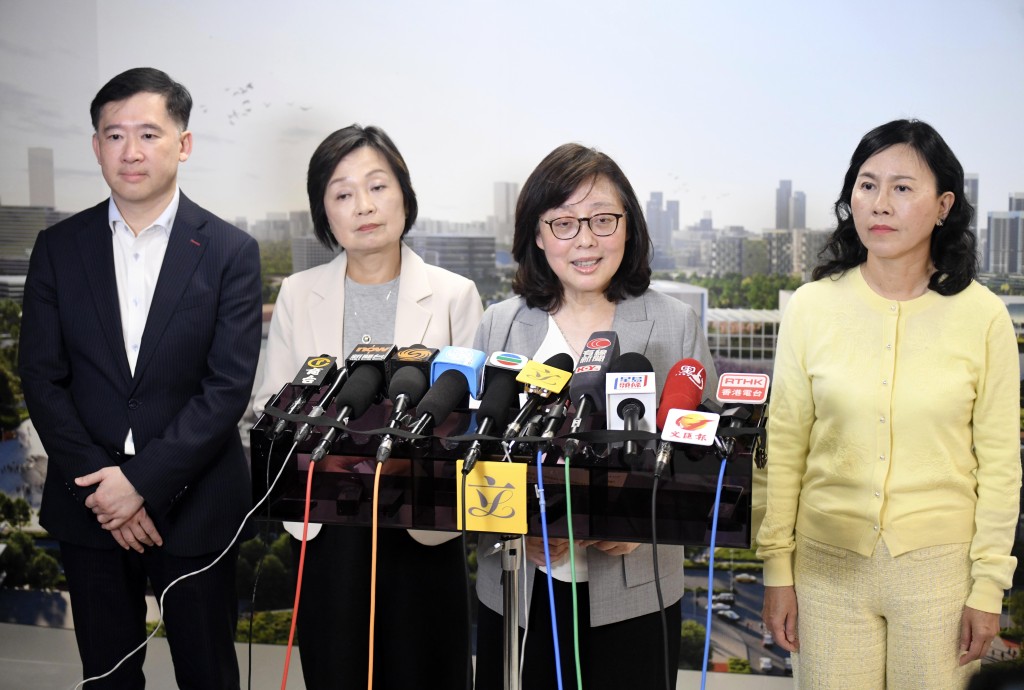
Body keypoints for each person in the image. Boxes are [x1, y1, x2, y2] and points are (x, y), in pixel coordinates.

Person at [18, 68, 262, 688]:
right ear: (95, 146)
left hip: (197, 505)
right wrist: (107, 493)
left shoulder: (230, 250)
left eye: (149, 133)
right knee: (107, 676)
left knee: (208, 675)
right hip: (89, 506)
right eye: (114, 135)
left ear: (183, 144)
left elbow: (226, 388)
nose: (131, 151)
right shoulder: (57, 247)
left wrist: (141, 484)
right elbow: (41, 377)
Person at [757, 119, 1021, 689]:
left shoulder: (983, 316)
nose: (880, 203)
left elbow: (1001, 465)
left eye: (902, 187)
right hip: (825, 570)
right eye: (867, 184)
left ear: (944, 205)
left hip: (941, 575)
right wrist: (777, 567)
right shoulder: (811, 307)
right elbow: (785, 447)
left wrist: (988, 587)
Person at [472, 143, 718, 690]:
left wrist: (643, 525)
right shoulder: (499, 326)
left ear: (628, 227)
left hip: (636, 594)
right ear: (538, 235)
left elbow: (707, 459)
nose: (585, 240)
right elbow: (475, 454)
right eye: (563, 223)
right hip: (518, 589)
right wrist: (513, 528)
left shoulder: (674, 323)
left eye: (602, 219)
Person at [251, 124, 483, 689]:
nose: (364, 206)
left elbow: (476, 417)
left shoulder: (454, 295)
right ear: (324, 212)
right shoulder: (298, 293)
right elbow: (268, 407)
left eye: (378, 186)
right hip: (327, 528)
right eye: (343, 193)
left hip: (423, 527)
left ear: (404, 194)